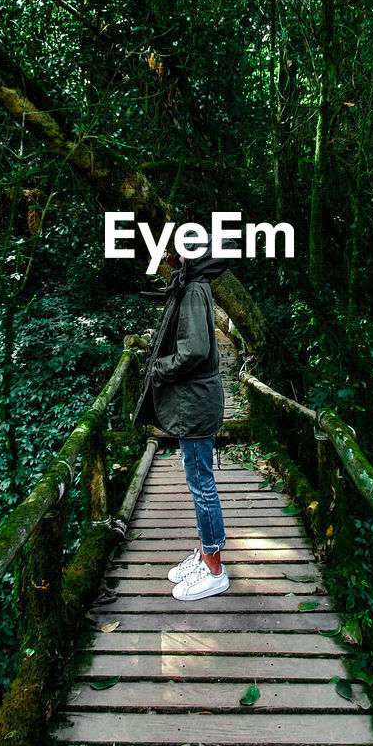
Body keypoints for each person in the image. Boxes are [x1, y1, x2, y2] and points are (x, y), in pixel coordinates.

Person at [133, 238, 235, 600]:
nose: (171, 258)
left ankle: (214, 569)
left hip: (194, 405)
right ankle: (206, 552)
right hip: (195, 403)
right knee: (198, 482)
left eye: (176, 253)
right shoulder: (195, 284)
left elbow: (194, 350)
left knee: (201, 485)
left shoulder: (192, 289)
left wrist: (159, 366)